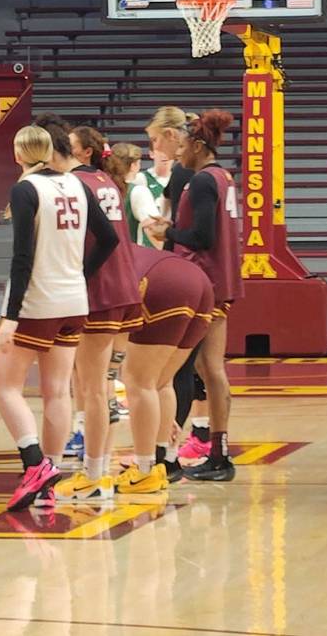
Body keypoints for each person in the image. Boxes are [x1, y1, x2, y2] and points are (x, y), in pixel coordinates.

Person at [0, 125, 118, 511]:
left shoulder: (26, 189)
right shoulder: (77, 184)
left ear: (18, 155)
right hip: (73, 301)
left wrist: (10, 317)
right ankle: (49, 477)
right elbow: (109, 238)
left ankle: (34, 463)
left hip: (37, 302)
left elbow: (22, 257)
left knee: (4, 387)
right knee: (58, 392)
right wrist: (80, 274)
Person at [47, 121, 140, 501]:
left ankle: (94, 473)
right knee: (98, 385)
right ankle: (95, 461)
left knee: (92, 387)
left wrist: (78, 276)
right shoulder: (106, 180)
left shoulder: (77, 184)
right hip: (122, 283)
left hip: (99, 289)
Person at [149, 109, 243, 482]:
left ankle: (207, 454)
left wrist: (168, 233)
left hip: (206, 283)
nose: (179, 154)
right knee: (210, 369)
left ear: (199, 146)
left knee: (200, 370)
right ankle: (216, 452)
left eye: (184, 146)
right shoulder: (223, 176)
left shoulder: (203, 181)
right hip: (219, 280)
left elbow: (202, 237)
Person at [116, 243, 214, 491]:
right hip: (199, 281)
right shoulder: (121, 245)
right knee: (162, 381)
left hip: (163, 281)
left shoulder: (90, 257)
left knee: (138, 381)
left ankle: (145, 468)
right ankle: (163, 460)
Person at [145, 105, 210, 458]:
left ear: (172, 136)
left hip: (189, 276)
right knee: (201, 369)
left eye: (156, 141)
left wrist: (166, 231)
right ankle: (199, 439)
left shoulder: (193, 175)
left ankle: (168, 450)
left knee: (179, 370)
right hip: (201, 278)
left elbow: (197, 234)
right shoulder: (199, 175)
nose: (155, 149)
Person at [106, 143, 162, 247]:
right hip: (129, 258)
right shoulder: (138, 192)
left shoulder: (100, 188)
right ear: (133, 165)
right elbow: (154, 231)